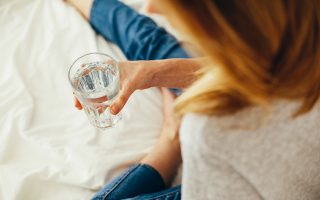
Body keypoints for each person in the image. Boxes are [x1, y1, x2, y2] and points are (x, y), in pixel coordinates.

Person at [67, 0, 320, 199]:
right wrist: (154, 72)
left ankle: (170, 139)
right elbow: (265, 73)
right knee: (152, 47)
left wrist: (185, 134)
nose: (151, 6)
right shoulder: (301, 34)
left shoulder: (211, 133)